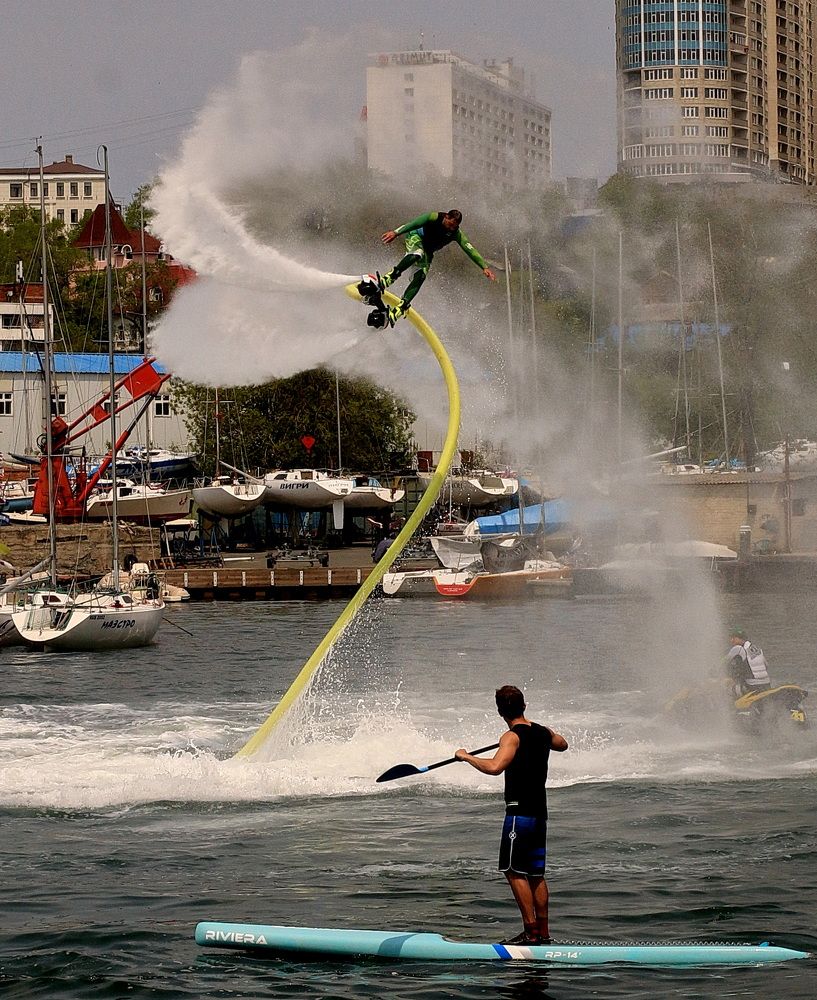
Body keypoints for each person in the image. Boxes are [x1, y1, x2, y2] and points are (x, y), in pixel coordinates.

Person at [455, 685, 568, 946]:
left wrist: (467, 757)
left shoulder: (511, 737)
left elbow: (495, 767)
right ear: (524, 706)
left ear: (499, 711)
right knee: (535, 875)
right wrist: (542, 735)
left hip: (519, 813)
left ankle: (530, 933)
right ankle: (544, 933)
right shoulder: (542, 731)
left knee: (513, 870)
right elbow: (562, 744)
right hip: (540, 813)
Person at [376, 209, 496, 325]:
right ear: (446, 217)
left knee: (421, 276)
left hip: (428, 251)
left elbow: (469, 249)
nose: (450, 228)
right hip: (416, 238)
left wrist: (484, 267)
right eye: (450, 224)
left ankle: (401, 308)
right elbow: (412, 224)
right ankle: (390, 277)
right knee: (418, 254)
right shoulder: (434, 217)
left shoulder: (456, 233)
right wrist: (396, 233)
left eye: (454, 226)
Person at [726, 627, 772, 696]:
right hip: (767, 685)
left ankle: (732, 705)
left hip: (752, 687)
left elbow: (726, 662)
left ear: (740, 639)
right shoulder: (758, 649)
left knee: (726, 689)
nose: (731, 641)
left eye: (734, 638)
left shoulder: (738, 649)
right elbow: (766, 665)